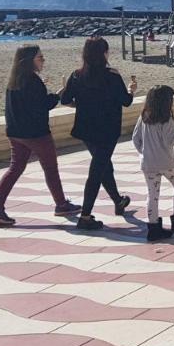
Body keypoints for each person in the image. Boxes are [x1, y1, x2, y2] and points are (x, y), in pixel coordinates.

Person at [0, 45, 80, 227]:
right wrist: (58, 95)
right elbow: (41, 106)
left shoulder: (14, 80)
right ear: (29, 60)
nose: (43, 60)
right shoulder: (32, 81)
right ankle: (61, 204)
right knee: (50, 168)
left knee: (15, 168)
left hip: (15, 133)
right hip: (35, 133)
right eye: (40, 57)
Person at [61, 37, 136, 230]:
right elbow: (126, 101)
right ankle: (85, 216)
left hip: (86, 129)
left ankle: (118, 201)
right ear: (104, 54)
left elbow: (66, 100)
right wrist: (131, 90)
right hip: (107, 130)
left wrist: (81, 104)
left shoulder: (77, 75)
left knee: (102, 165)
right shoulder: (111, 75)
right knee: (97, 170)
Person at [132, 85, 174, 241]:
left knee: (152, 194)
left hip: (148, 163)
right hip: (166, 163)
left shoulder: (144, 116)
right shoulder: (166, 118)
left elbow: (135, 139)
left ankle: (153, 228)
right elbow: (171, 141)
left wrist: (144, 152)